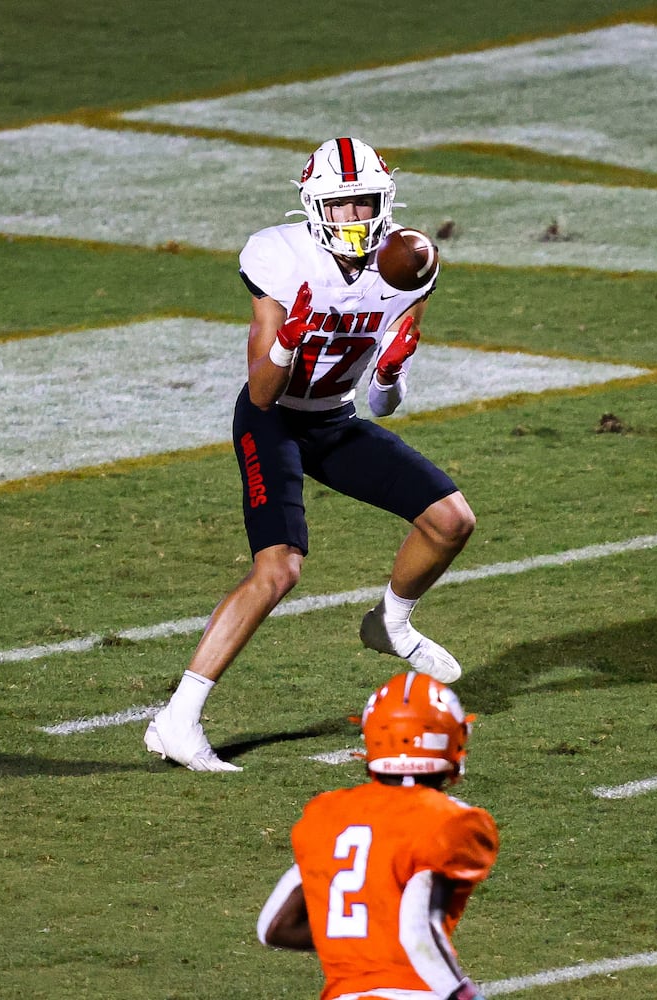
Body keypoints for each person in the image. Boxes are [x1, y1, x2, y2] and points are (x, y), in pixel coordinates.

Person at [144, 136, 476, 772]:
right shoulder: (280, 257)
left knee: (451, 521)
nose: (355, 218)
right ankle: (176, 719)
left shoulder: (408, 262)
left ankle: (392, 624)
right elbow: (264, 393)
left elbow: (384, 404)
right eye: (342, 205)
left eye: (365, 204)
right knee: (279, 569)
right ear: (314, 206)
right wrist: (287, 343)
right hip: (272, 421)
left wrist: (392, 370)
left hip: (335, 419)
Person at [256, 671, 499, 999]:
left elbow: (273, 926)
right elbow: (416, 930)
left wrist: (359, 943)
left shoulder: (329, 816)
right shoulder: (453, 821)